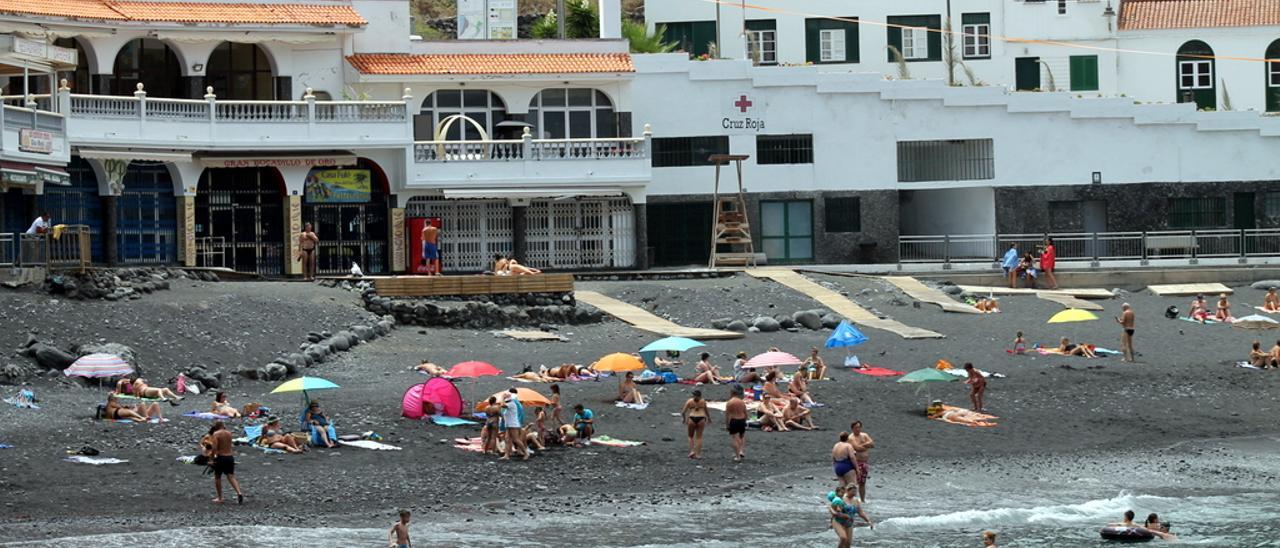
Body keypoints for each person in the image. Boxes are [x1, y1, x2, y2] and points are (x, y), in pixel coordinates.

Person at [209, 420, 244, 504]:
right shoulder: (229, 433)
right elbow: (229, 446)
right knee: (231, 476)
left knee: (217, 477)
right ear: (223, 425)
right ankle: (239, 492)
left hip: (221, 457)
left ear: (216, 427)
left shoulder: (216, 434)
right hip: (230, 457)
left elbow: (214, 448)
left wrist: (211, 458)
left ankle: (220, 497)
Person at [849, 421, 875, 502]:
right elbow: (857, 448)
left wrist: (863, 445)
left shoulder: (864, 435)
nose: (858, 429)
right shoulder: (851, 438)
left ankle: (862, 500)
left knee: (862, 483)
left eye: (859, 427)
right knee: (854, 482)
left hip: (864, 463)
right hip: (856, 462)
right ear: (852, 428)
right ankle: (850, 498)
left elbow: (872, 444)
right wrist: (866, 445)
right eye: (856, 427)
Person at [500, 389, 529, 460]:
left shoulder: (511, 404)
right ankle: (506, 455)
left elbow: (502, 405)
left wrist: (502, 397)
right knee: (507, 439)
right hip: (509, 424)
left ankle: (526, 452)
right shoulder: (511, 403)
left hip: (513, 424)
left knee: (516, 439)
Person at [681, 389, 709, 459]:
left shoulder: (690, 401)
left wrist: (684, 419)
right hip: (701, 418)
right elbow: (706, 411)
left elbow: (683, 412)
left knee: (690, 436)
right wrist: (709, 419)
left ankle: (692, 451)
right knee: (699, 437)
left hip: (692, 418)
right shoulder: (703, 401)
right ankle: (698, 454)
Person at [725, 386, 748, 462]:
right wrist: (745, 420)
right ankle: (741, 451)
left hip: (734, 420)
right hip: (742, 420)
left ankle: (737, 456)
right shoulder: (741, 402)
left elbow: (727, 415)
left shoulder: (729, 402)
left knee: (735, 437)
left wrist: (727, 424)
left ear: (732, 393)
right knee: (742, 436)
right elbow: (745, 412)